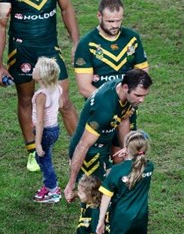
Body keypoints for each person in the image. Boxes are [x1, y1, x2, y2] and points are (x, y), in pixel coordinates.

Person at [0, 0, 80, 172]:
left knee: (63, 101)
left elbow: (66, 8)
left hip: (49, 51)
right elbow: (0, 25)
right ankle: (32, 151)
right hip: (21, 52)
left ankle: (81, 147)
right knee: (26, 100)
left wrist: (75, 42)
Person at [63, 69, 153, 202]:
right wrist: (71, 182)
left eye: (144, 95)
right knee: (94, 200)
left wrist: (126, 148)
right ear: (125, 87)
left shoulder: (125, 94)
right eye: (138, 95)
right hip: (90, 153)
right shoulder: (104, 108)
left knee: (109, 193)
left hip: (104, 145)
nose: (142, 100)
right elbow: (83, 145)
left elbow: (123, 119)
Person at [73, 0, 149, 135]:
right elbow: (84, 88)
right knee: (97, 153)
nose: (115, 25)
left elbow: (142, 76)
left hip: (127, 110)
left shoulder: (132, 38)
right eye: (110, 21)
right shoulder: (86, 44)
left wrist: (125, 103)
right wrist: (113, 103)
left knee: (125, 153)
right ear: (99, 16)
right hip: (100, 110)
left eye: (118, 21)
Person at [30, 56, 64, 203]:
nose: (33, 69)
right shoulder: (57, 88)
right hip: (54, 129)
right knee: (42, 158)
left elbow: (40, 121)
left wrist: (37, 143)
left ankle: (53, 190)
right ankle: (50, 185)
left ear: (42, 75)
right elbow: (61, 104)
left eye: (35, 68)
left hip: (45, 132)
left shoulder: (41, 95)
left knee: (44, 160)